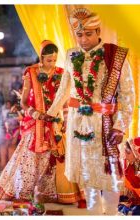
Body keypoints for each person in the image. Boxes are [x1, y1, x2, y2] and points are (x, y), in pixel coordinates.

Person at [46, 8, 135, 215]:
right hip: (78, 123)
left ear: (98, 32)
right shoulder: (70, 54)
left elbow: (128, 95)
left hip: (104, 123)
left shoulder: (115, 55)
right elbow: (63, 90)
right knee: (87, 174)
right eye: (79, 34)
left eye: (88, 34)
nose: (83, 39)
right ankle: (94, 214)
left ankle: (111, 213)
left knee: (108, 174)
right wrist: (48, 115)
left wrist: (120, 126)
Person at [0, 40, 73, 203]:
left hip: (55, 124)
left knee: (54, 157)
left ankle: (50, 193)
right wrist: (36, 114)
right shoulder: (31, 72)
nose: (52, 64)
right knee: (30, 157)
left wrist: (65, 117)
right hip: (35, 123)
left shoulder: (61, 73)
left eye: (54, 60)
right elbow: (23, 103)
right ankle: (25, 190)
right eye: (48, 60)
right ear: (41, 58)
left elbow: (65, 100)